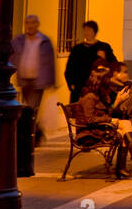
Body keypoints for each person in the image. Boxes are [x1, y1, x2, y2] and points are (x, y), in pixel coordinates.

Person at [11, 14, 55, 146]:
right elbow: (11, 55)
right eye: (27, 23)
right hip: (24, 79)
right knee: (28, 109)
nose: (29, 26)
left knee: (31, 108)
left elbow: (50, 62)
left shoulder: (44, 41)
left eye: (32, 23)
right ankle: (35, 132)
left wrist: (51, 80)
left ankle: (30, 137)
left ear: (37, 25)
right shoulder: (19, 40)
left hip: (38, 81)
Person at [64, 20, 115, 104]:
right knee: (78, 111)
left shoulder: (104, 47)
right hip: (80, 88)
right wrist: (71, 84)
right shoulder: (77, 49)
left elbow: (114, 65)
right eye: (85, 30)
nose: (86, 32)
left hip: (98, 88)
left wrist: (104, 58)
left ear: (95, 32)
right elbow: (69, 68)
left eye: (89, 30)